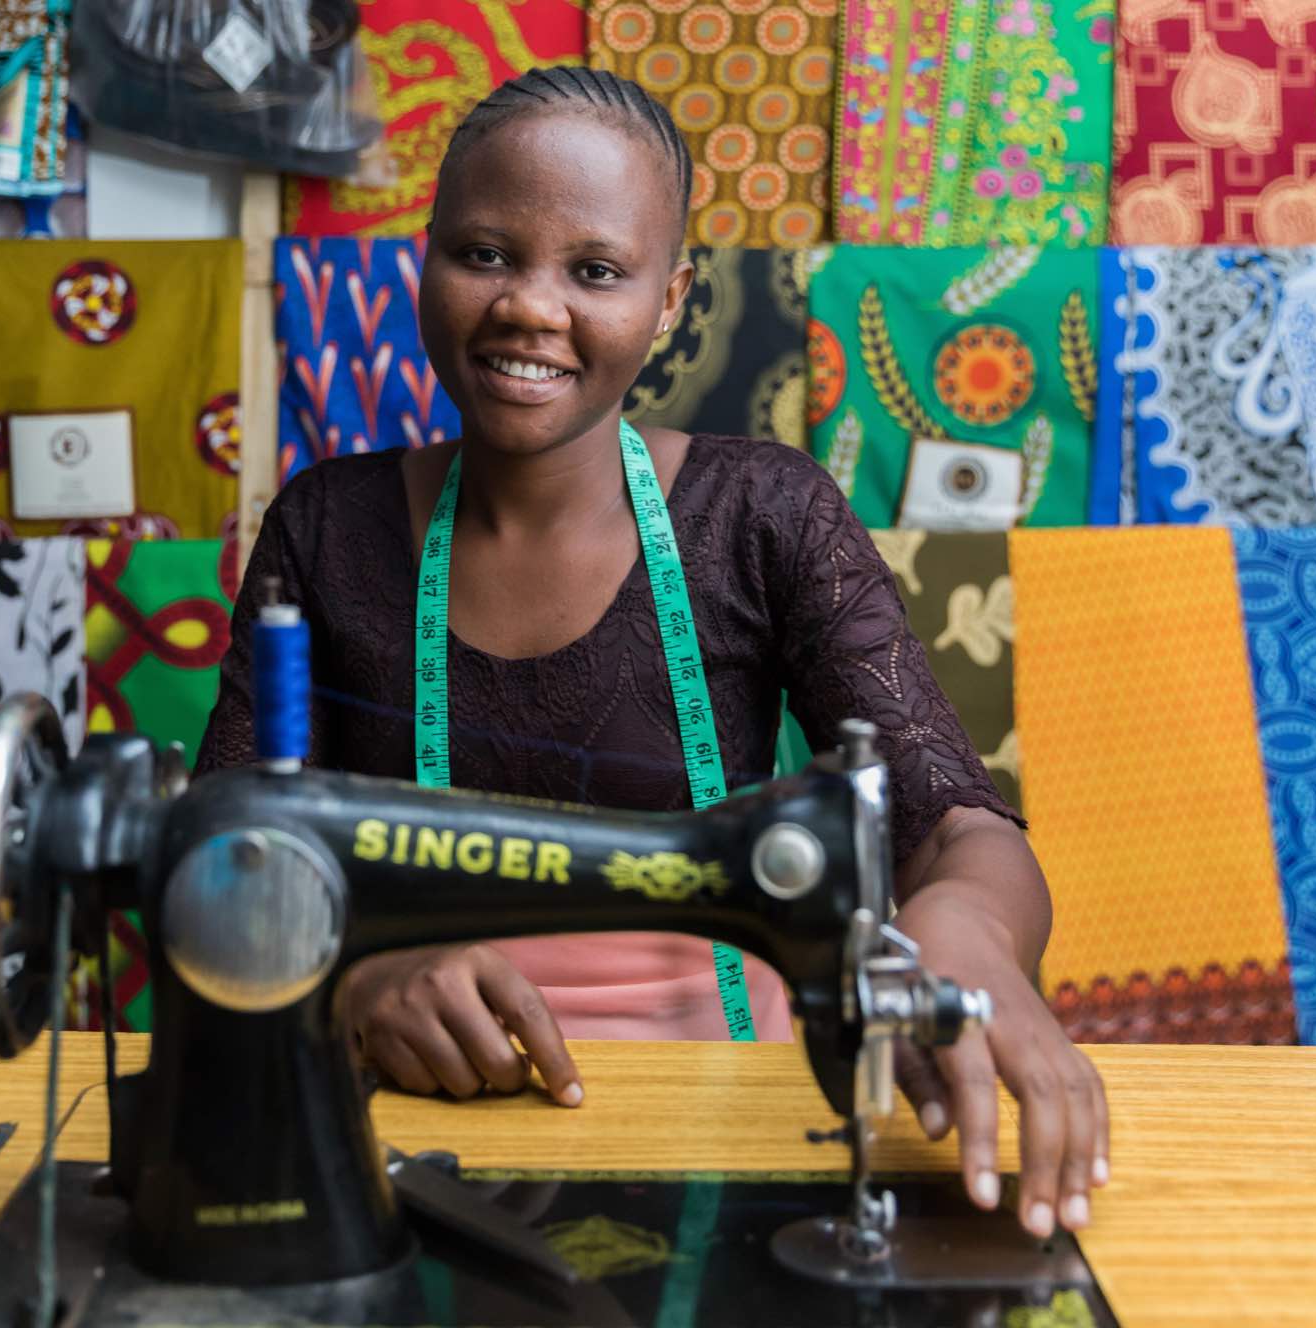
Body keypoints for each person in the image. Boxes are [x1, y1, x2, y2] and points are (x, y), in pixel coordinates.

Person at [195, 65, 1109, 1241]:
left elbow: (956, 826)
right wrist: (357, 979)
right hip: (402, 1125)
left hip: (723, 1118)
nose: (531, 305)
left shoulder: (763, 515)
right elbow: (218, 856)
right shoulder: (325, 529)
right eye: (483, 253)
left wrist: (965, 935)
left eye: (595, 271)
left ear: (671, 298)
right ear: (420, 259)